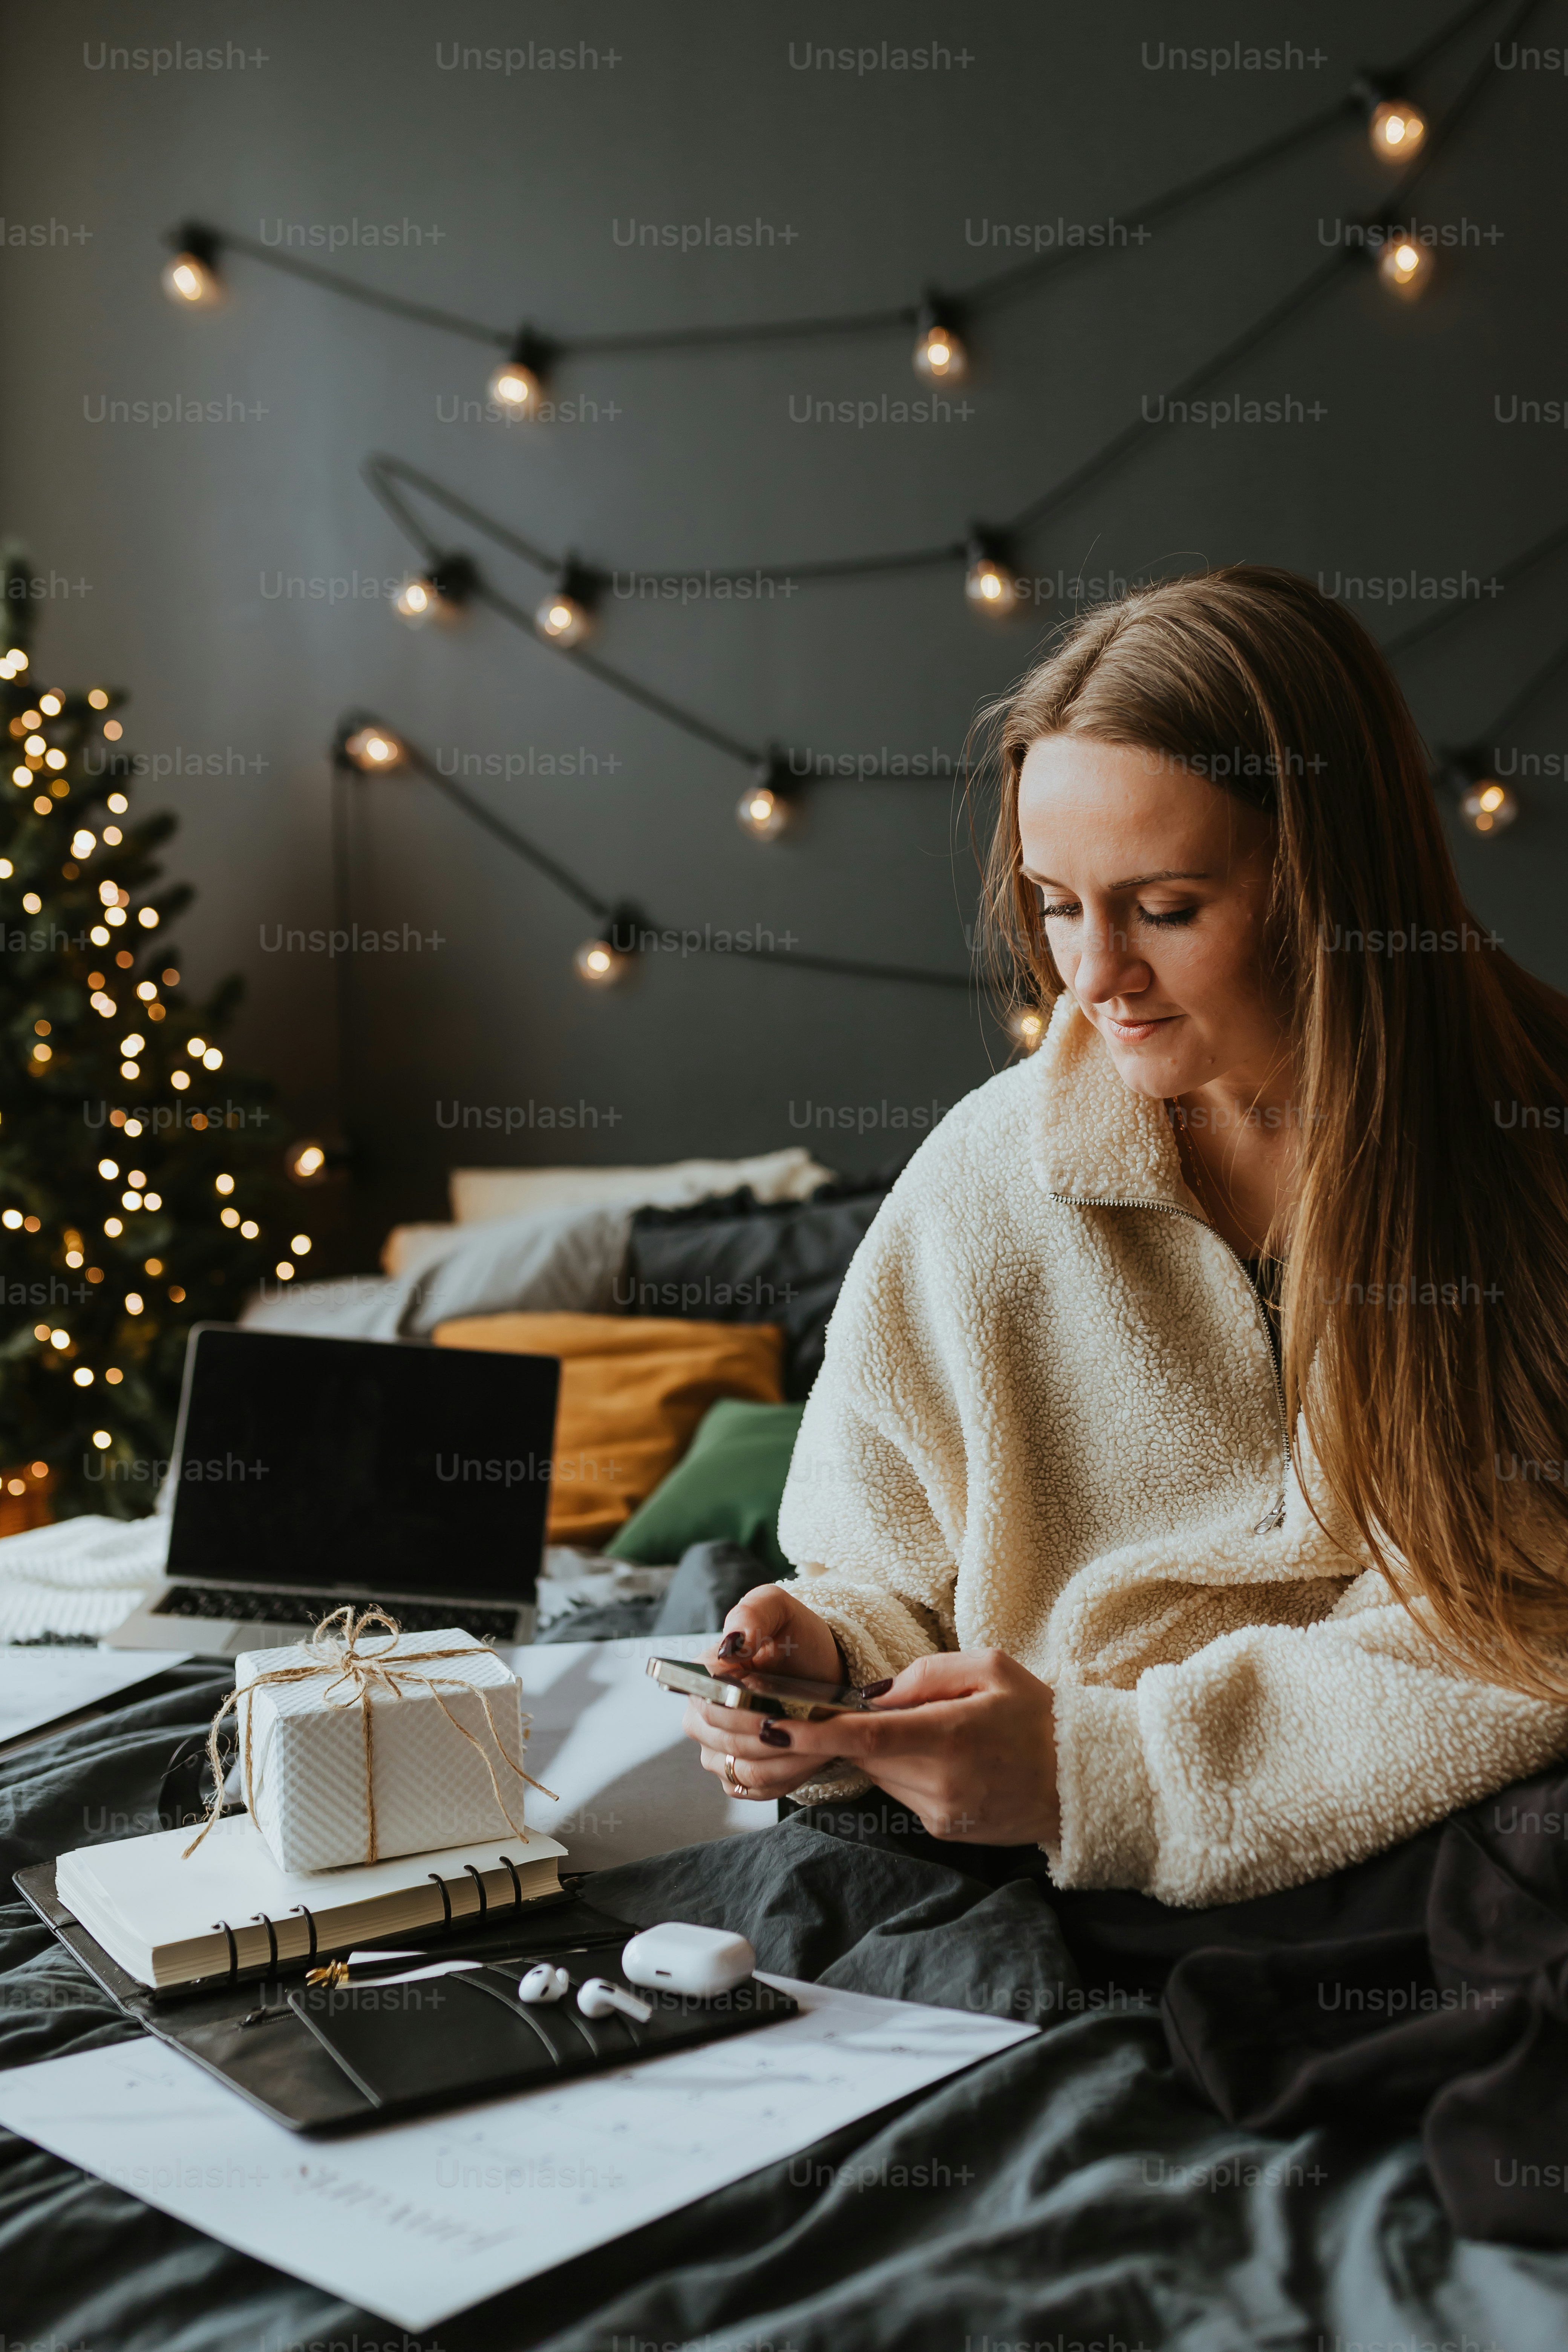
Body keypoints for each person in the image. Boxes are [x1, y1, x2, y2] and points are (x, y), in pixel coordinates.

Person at [682, 565, 1568, 1906]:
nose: (1093, 979)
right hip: (1035, 1845)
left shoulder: (1525, 1150)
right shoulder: (988, 1176)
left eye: (1164, 908)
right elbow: (887, 1566)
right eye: (1053, 902)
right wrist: (830, 1657)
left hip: (1418, 1856)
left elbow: (1515, 1642)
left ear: (1330, 878)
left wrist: (1101, 1772)